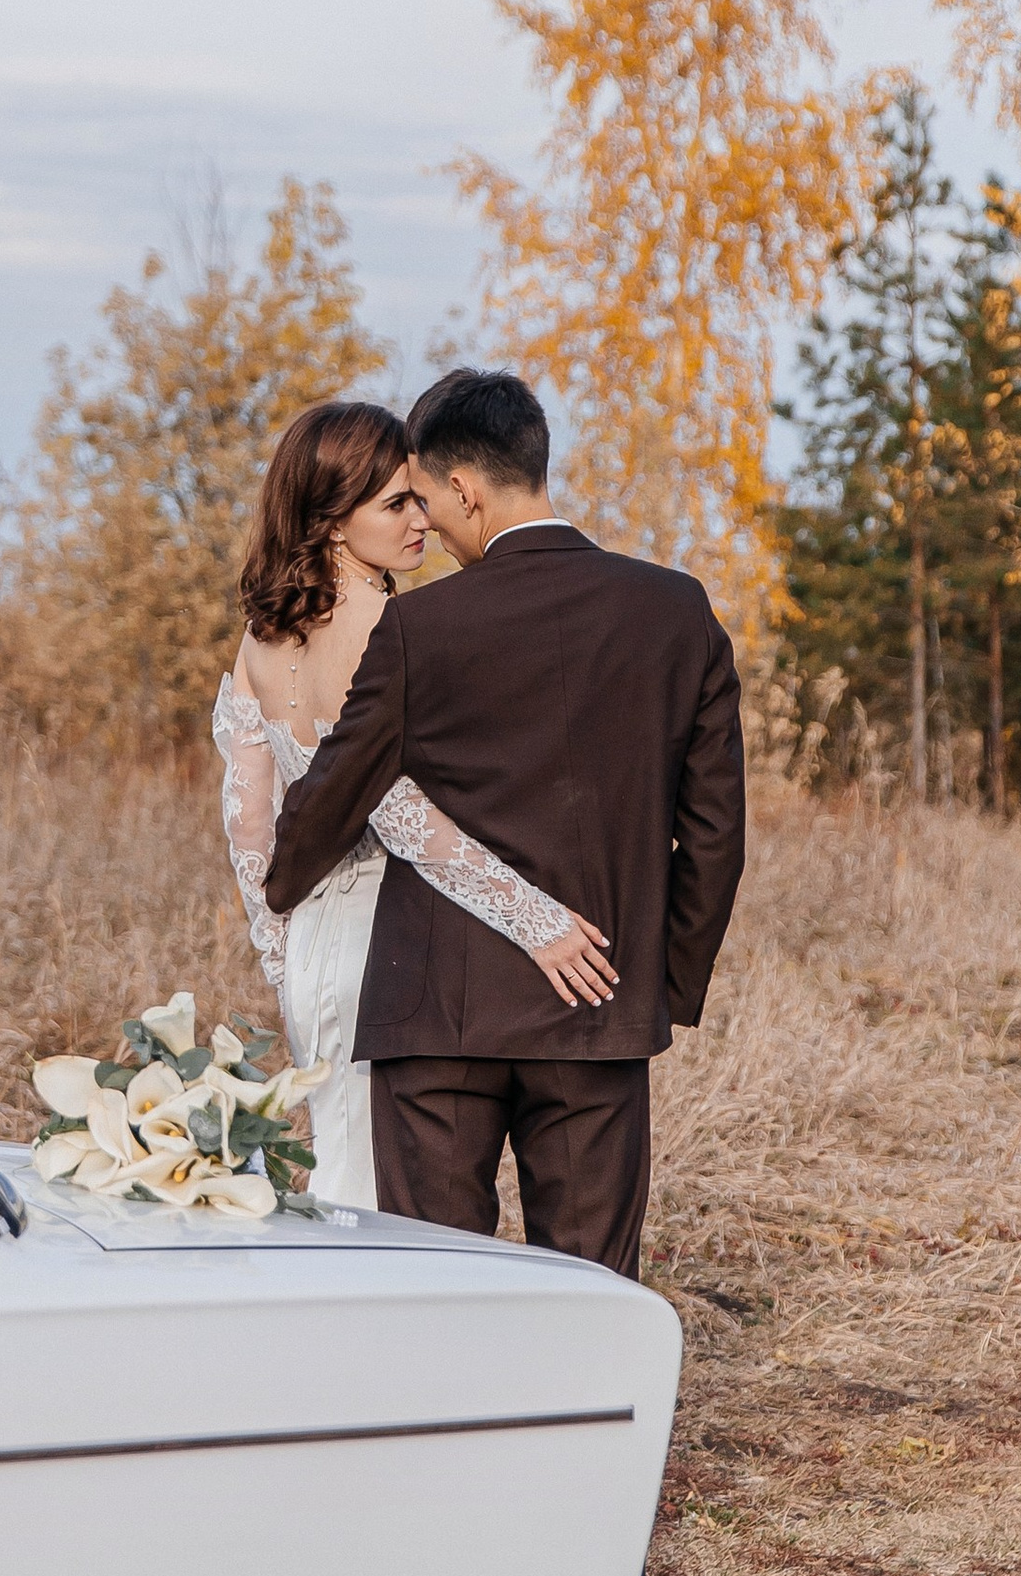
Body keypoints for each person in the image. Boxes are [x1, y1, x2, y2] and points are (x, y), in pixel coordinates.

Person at [263, 367, 745, 1272]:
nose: (431, 534)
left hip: (435, 1022)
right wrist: (659, 985)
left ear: (464, 489)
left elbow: (331, 798)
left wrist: (285, 885)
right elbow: (716, 835)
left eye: (432, 508)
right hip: (596, 1011)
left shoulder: (416, 629)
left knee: (439, 1287)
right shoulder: (677, 613)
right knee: (594, 1286)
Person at [212, 399, 616, 1209]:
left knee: (340, 1165)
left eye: (418, 497)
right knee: (377, 1198)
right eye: (395, 504)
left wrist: (281, 951)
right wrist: (534, 918)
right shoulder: (387, 624)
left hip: (311, 948)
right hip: (382, 942)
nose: (420, 519)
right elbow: (398, 814)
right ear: (332, 519)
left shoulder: (262, 636)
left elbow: (250, 826)